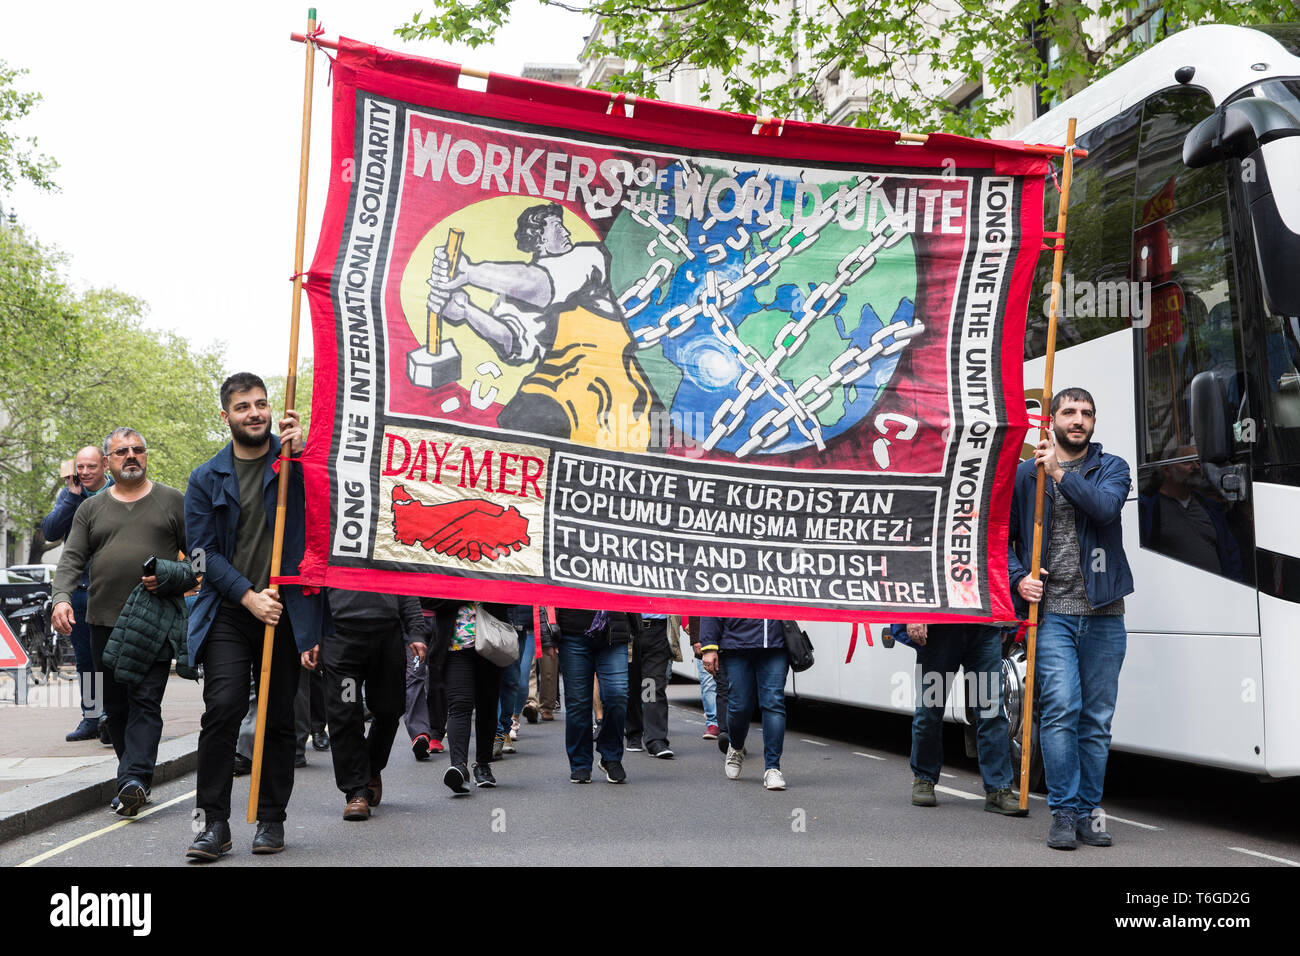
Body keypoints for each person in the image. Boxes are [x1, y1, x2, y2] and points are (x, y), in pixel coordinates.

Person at [184, 373, 325, 861]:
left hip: (285, 609)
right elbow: (201, 556)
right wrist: (247, 596)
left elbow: (323, 518)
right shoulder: (205, 478)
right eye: (243, 407)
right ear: (226, 416)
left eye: (261, 404)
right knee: (222, 709)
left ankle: (271, 819)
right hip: (229, 609)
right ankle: (212, 825)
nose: (255, 413)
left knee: (278, 716)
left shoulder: (294, 466)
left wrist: (303, 455)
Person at [1008, 386, 1134, 850]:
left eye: (1086, 413)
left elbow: (1102, 509)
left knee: (1096, 720)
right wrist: (1021, 578)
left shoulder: (1112, 469)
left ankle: (1086, 814)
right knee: (1061, 711)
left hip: (1104, 614)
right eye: (1069, 412)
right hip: (1052, 614)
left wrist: (1059, 473)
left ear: (1094, 422)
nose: (1078, 419)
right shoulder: (1026, 476)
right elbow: (999, 538)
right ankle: (1062, 812)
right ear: (1053, 420)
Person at [427, 201, 661, 449]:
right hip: (557, 391)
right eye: (557, 228)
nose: (567, 233)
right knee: (518, 421)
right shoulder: (513, 295)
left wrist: (470, 273)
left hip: (618, 388)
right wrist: (467, 311)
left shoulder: (586, 257)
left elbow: (543, 286)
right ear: (538, 238)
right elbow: (513, 343)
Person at [50, 428, 187, 816]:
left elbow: (202, 561)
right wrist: (61, 599)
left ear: (146, 456)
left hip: (154, 623)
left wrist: (170, 577)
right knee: (116, 707)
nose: (131, 456)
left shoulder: (172, 501)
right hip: (102, 623)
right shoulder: (90, 509)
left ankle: (134, 780)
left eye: (138, 450)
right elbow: (71, 560)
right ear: (109, 461)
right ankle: (132, 777)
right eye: (122, 451)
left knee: (145, 703)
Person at [304, 590, 427, 820]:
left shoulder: (391, 551)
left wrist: (417, 630)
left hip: (386, 637)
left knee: (389, 708)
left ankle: (371, 767)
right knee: (347, 711)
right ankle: (357, 791)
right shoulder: (326, 550)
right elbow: (312, 585)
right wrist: (309, 635)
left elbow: (404, 582)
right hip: (342, 641)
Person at [891, 622, 1026, 815]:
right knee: (929, 711)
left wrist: (1003, 621)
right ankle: (924, 778)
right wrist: (914, 616)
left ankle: (998, 788)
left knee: (992, 713)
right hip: (942, 629)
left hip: (983, 627)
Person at [41, 445, 114, 742]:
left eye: (91, 467)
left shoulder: (119, 491)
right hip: (81, 592)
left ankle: (116, 715)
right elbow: (50, 531)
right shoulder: (70, 495)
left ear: (105, 465)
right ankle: (92, 716)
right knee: (86, 658)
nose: (84, 473)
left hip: (113, 589)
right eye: (80, 467)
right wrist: (71, 498)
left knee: (114, 657)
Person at [541, 608, 636, 784]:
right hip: (572, 633)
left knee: (618, 695)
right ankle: (580, 763)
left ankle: (611, 757)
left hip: (613, 631)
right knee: (578, 702)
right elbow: (546, 588)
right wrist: (546, 635)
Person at [698, 617, 789, 790]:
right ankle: (736, 747)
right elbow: (713, 598)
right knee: (740, 706)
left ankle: (773, 768)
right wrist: (709, 645)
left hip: (775, 642)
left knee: (774, 703)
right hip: (736, 643)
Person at [429, 600, 508, 793]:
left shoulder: (497, 567)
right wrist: (461, 592)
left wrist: (486, 591)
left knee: (487, 706)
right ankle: (458, 766)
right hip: (455, 649)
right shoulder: (449, 569)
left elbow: (513, 597)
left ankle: (483, 765)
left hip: (490, 645)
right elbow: (428, 599)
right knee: (459, 704)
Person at [625, 613, 674, 758]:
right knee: (631, 685)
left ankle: (655, 739)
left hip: (658, 630)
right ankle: (634, 733)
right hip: (629, 628)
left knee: (652, 685)